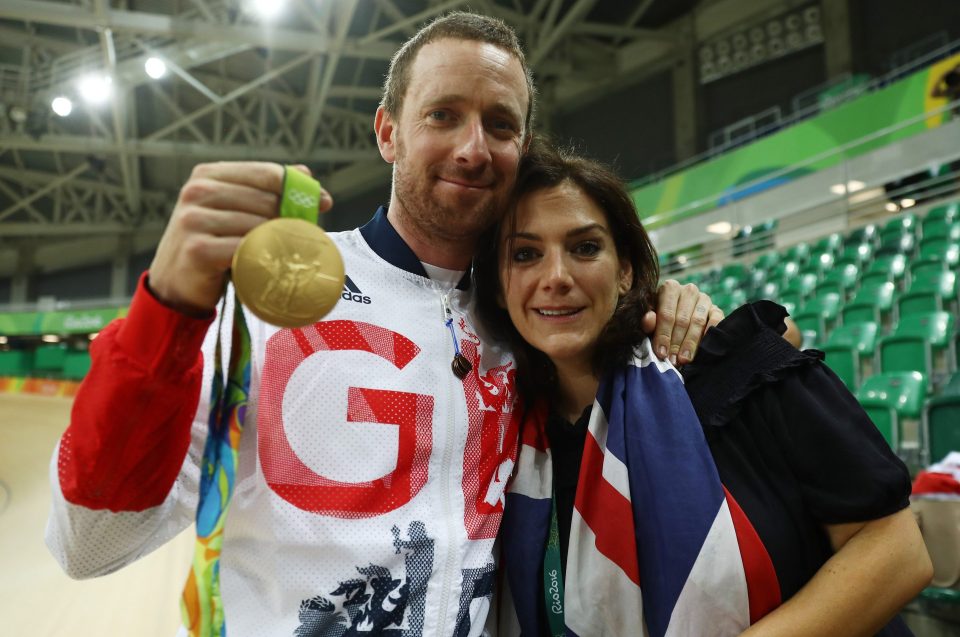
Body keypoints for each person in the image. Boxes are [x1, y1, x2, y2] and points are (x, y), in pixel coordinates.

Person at [44, 12, 719, 637]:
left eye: (501, 124)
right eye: (443, 115)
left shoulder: (537, 320)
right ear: (388, 131)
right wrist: (167, 310)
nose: (473, 148)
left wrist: (692, 317)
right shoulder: (267, 300)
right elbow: (91, 544)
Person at [474, 139, 932, 636]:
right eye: (525, 254)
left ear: (625, 270)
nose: (556, 277)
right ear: (498, 285)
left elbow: (896, 549)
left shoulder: (735, 365)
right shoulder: (506, 438)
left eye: (585, 247)